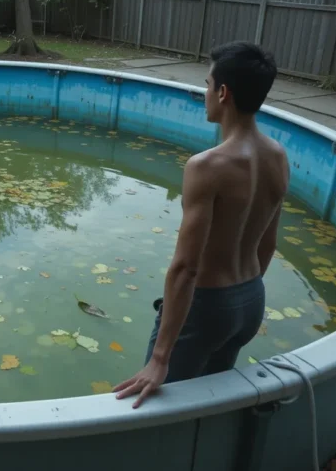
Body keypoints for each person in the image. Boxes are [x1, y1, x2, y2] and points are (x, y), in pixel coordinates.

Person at [113, 41, 289, 409]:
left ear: (223, 93)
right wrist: (241, 295)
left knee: (161, 407)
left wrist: (160, 357)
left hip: (206, 308)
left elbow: (186, 267)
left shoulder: (208, 166)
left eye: (207, 84)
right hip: (250, 301)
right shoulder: (278, 156)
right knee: (212, 402)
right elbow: (268, 243)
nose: (204, 93)